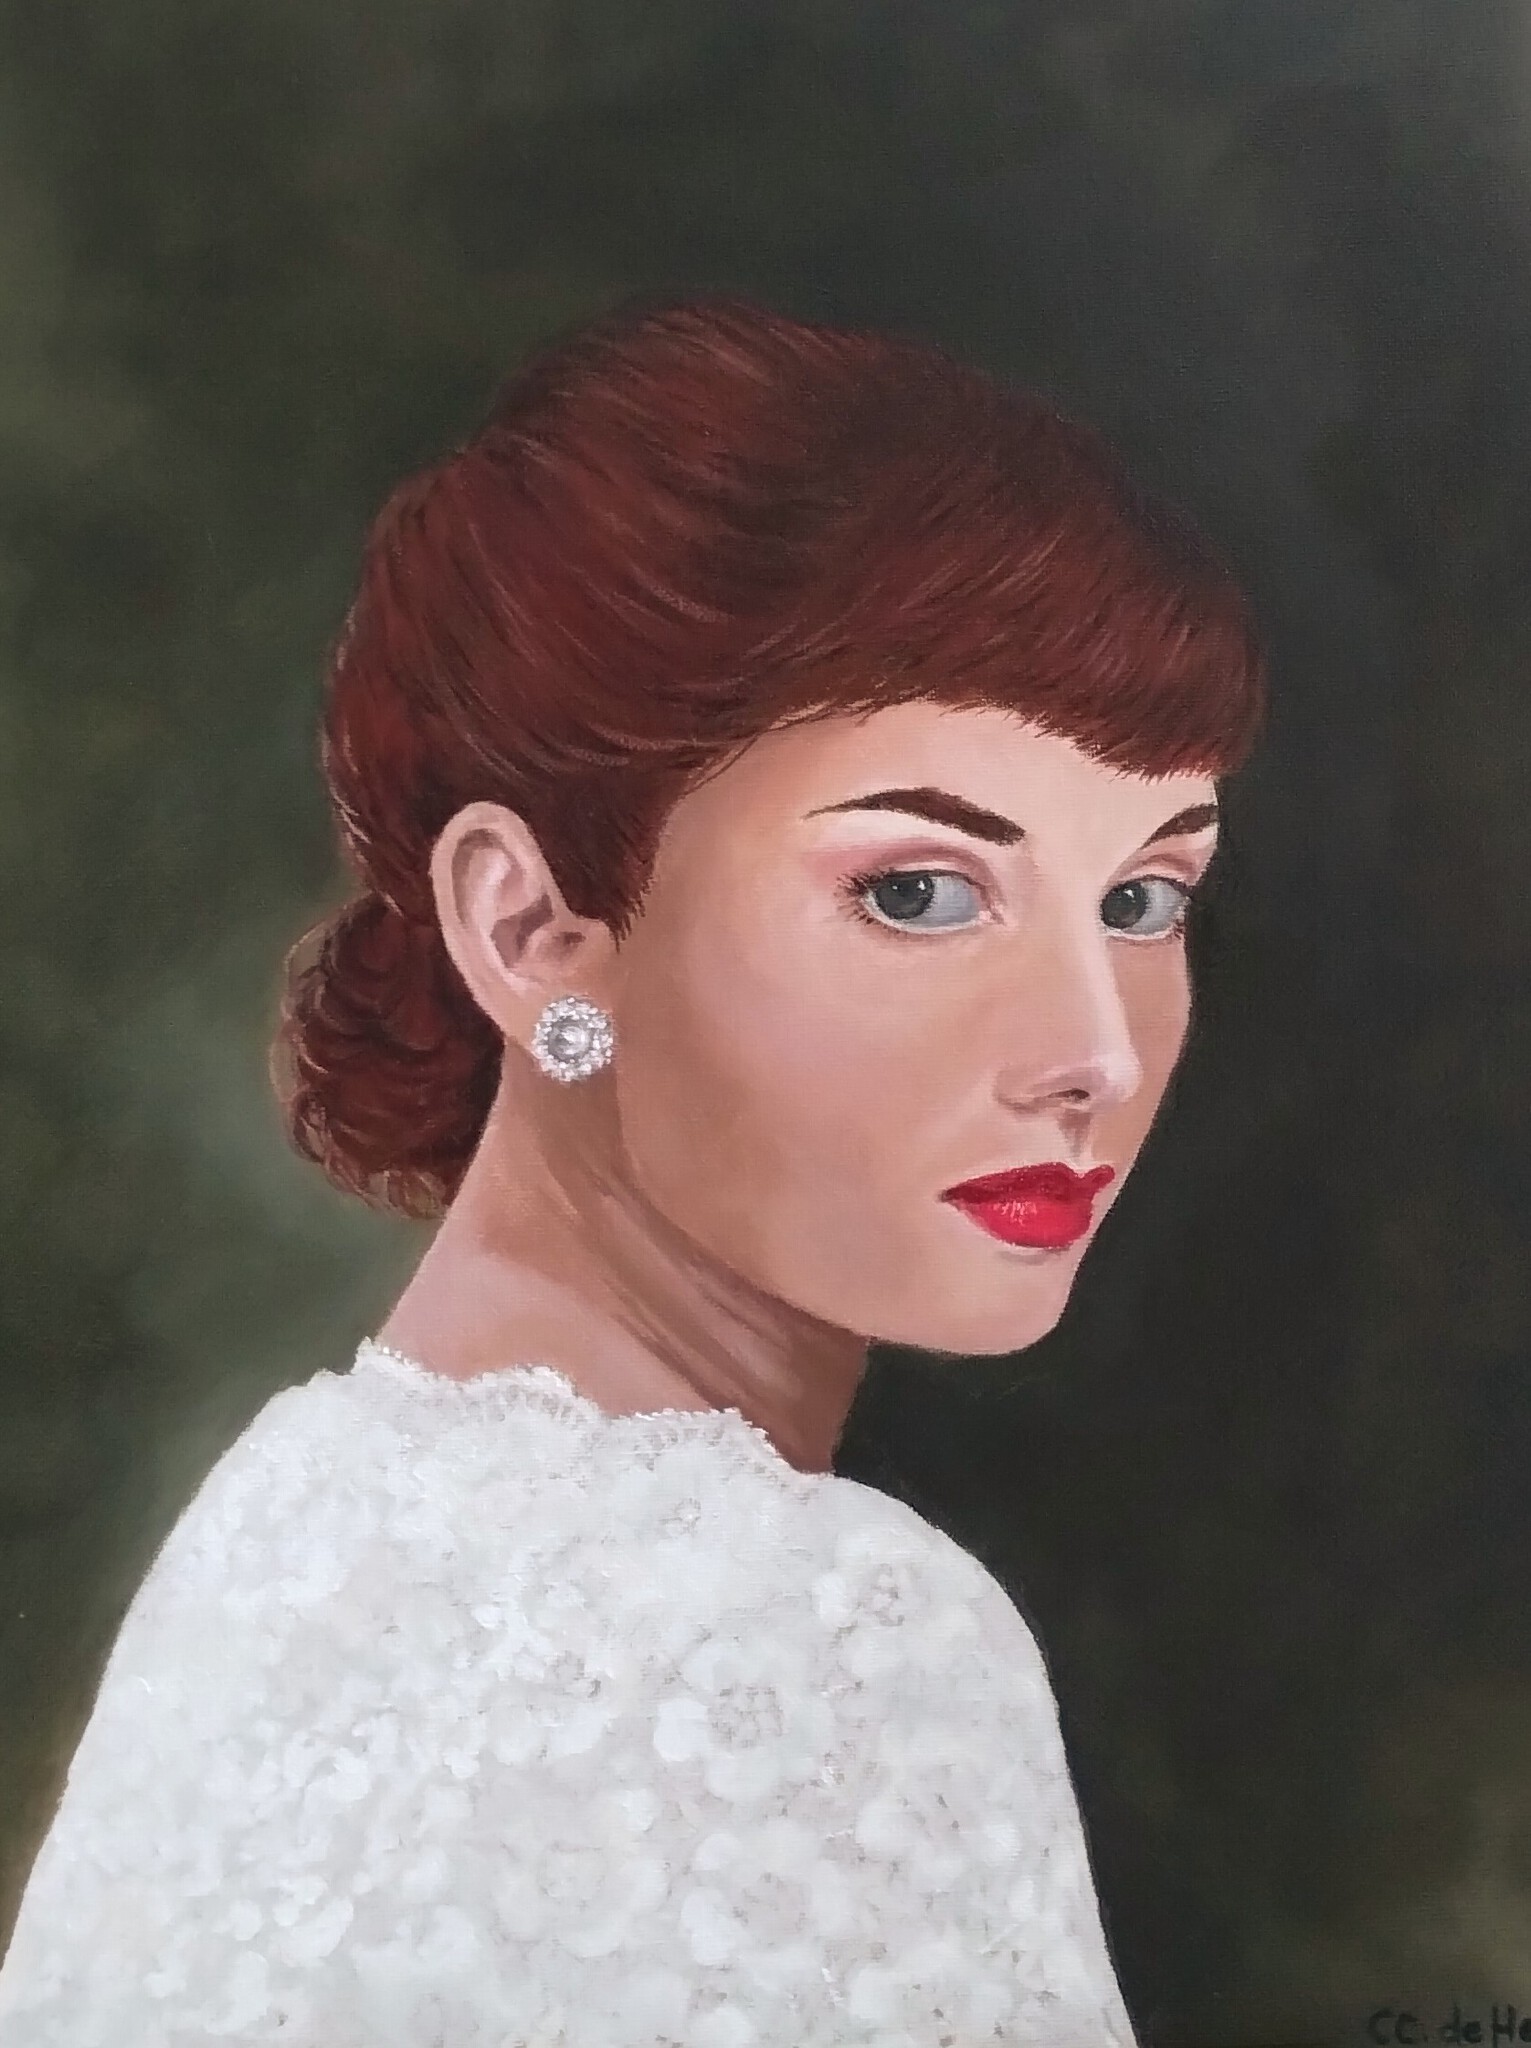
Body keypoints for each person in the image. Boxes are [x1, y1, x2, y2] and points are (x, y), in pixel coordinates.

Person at [0, 296, 1262, 2045]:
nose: (1095, 1052)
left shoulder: (289, 1513)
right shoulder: (841, 1637)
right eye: (918, 891)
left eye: (1144, 898)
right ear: (531, 927)